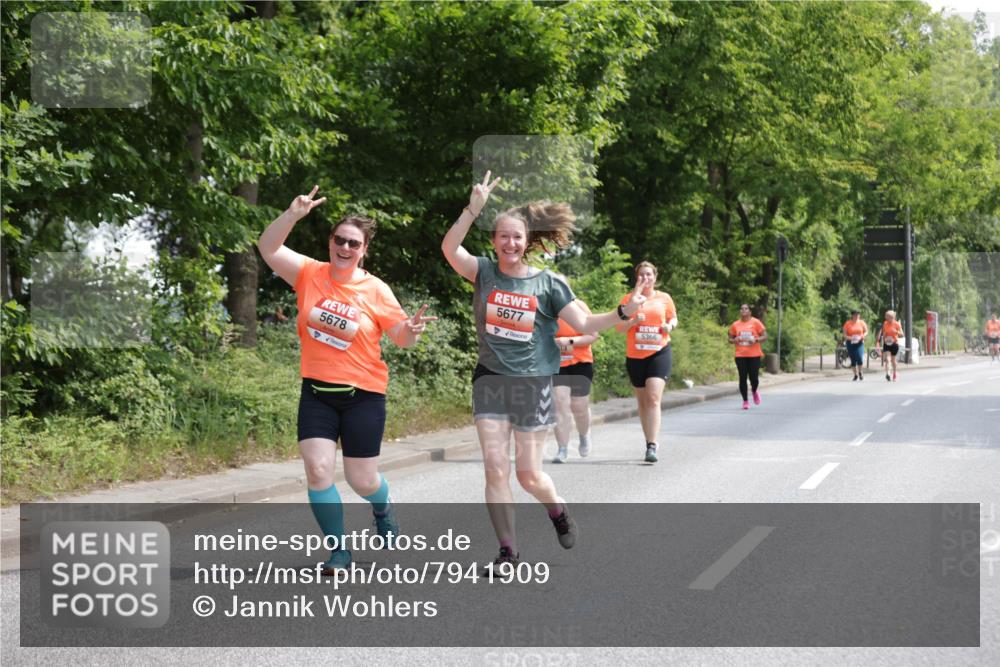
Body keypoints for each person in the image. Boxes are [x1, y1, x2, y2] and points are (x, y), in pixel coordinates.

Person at [441, 171, 649, 566]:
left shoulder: (548, 283)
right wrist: (472, 209)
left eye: (517, 236)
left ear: (527, 241)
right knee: (495, 467)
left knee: (528, 475)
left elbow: (586, 324)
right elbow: (450, 249)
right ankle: (508, 550)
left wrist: (623, 312)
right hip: (490, 379)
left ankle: (557, 509)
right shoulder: (483, 272)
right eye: (503, 235)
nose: (510, 242)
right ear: (494, 241)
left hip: (533, 383)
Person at [258, 186, 435, 573]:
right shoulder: (308, 274)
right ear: (330, 242)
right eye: (339, 239)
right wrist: (291, 214)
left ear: (363, 250)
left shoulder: (375, 290)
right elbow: (268, 249)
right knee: (319, 470)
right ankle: (339, 550)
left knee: (362, 478)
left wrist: (412, 330)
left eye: (353, 243)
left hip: (364, 396)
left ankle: (383, 508)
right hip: (317, 393)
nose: (345, 247)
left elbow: (401, 338)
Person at [617, 261, 677, 463]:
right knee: (642, 402)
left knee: (652, 398)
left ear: (655, 277)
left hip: (659, 351)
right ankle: (648, 440)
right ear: (637, 278)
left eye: (649, 275)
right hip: (635, 355)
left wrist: (669, 325)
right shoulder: (629, 299)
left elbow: (674, 318)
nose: (646, 278)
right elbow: (618, 328)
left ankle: (652, 445)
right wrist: (633, 321)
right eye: (642, 275)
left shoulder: (664, 298)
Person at [551, 289, 597, 463]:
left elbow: (593, 336)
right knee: (560, 403)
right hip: (557, 363)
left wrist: (569, 341)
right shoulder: (546, 309)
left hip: (581, 362)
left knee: (579, 406)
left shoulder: (579, 306)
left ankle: (584, 434)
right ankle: (562, 449)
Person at [728, 304, 767, 410]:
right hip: (740, 355)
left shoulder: (756, 322)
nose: (743, 310)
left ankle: (754, 391)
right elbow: (730, 338)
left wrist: (756, 340)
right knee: (742, 378)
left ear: (750, 312)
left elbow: (765, 336)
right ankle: (745, 401)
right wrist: (734, 340)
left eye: (746, 309)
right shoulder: (735, 324)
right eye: (741, 309)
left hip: (754, 354)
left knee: (754, 378)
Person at [877, 310, 904, 381]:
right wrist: (884, 336)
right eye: (887, 317)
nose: (887, 318)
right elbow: (884, 332)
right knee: (888, 360)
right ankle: (888, 373)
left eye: (889, 317)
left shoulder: (897, 324)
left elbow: (902, 334)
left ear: (893, 317)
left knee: (893, 360)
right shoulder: (885, 323)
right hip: (887, 343)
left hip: (894, 344)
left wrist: (896, 332)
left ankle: (895, 373)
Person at [842, 309, 868, 381]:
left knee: (859, 357)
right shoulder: (847, 323)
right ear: (852, 315)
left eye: (858, 315)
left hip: (859, 342)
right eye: (855, 315)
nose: (857, 316)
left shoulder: (862, 322)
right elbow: (844, 334)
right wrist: (850, 338)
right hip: (850, 343)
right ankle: (855, 374)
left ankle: (860, 372)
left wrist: (863, 336)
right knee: (853, 359)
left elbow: (866, 331)